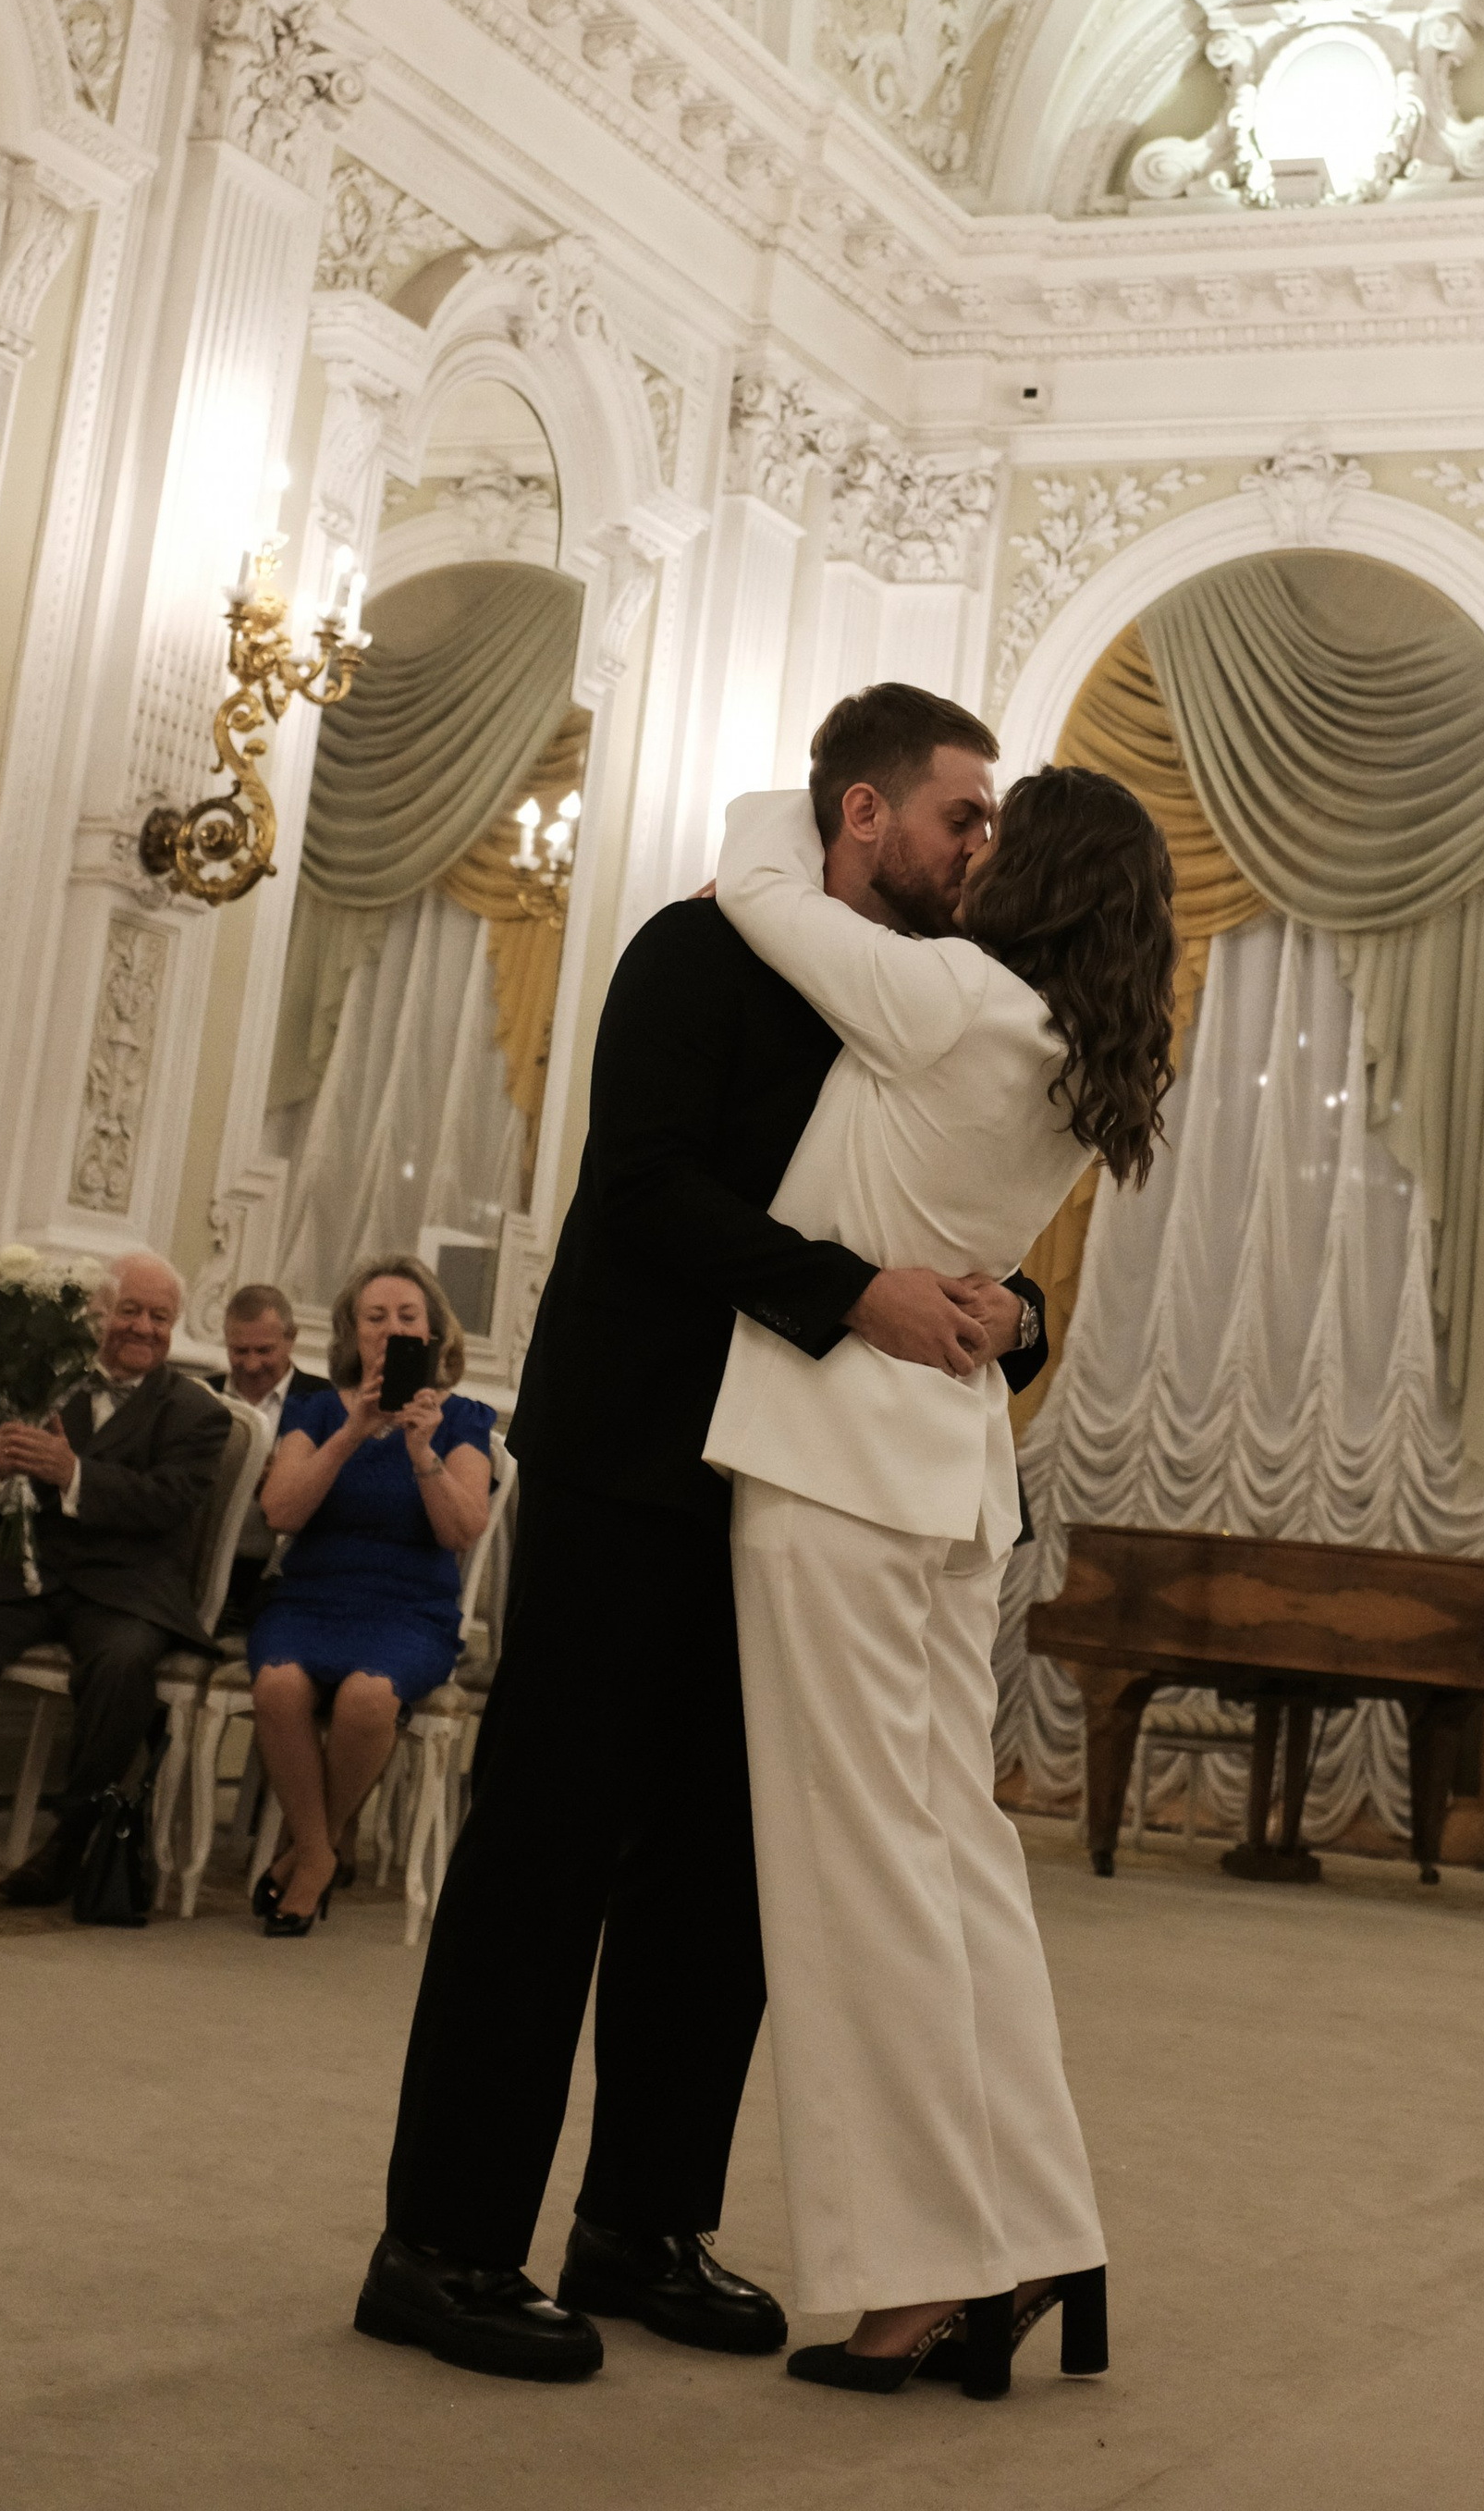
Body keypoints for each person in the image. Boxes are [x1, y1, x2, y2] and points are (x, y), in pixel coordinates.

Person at [361, 683, 1048, 2386]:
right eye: (963, 813)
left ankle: (641, 2222)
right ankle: (439, 2242)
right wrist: (858, 1296)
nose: (984, 844)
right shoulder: (690, 952)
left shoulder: (921, 1003)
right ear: (862, 816)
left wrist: (1006, 1302)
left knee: (729, 1876)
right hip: (628, 1456)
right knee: (550, 1849)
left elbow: (940, 1203)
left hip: (790, 1489)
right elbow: (649, 1189)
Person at [705, 761, 1174, 2395]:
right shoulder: (1067, 1059)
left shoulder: (953, 1000)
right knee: (955, 1864)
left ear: (1031, 874)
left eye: (993, 832)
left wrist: (801, 800)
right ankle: (1040, 2229)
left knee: (861, 1887)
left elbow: (762, 877)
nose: (966, 853)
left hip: (835, 1473)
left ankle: (917, 2277)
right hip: (942, 1485)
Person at [0, 1249, 228, 1910]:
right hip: (31, 1574)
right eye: (129, 1311)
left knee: (123, 1662)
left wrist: (71, 1473)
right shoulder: (41, 1382)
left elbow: (166, 1503)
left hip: (128, 1588)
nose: (143, 1328)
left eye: (160, 1317)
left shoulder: (198, 1412)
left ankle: (71, 1842)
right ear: (97, 1316)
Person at [248, 1257, 494, 1936]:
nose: (390, 1331)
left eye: (407, 1318)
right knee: (277, 1688)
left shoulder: (463, 1419)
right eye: (375, 1319)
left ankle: (303, 1853)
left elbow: (462, 1529)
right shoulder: (318, 1409)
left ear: (434, 1333)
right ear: (352, 1335)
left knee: (366, 1697)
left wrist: (421, 1451)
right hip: (310, 1600)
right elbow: (281, 1511)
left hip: (410, 1611)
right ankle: (324, 1852)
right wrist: (352, 1432)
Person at [216, 1282, 326, 1633]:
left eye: (264, 1350)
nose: (251, 1364)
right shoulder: (200, 1396)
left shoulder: (325, 1403)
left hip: (289, 1571)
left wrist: (285, 1481)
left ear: (291, 1338)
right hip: (204, 1564)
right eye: (239, 1350)